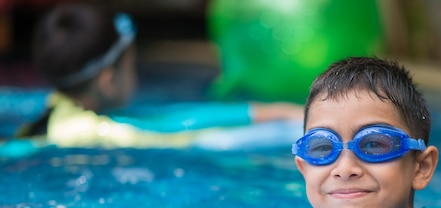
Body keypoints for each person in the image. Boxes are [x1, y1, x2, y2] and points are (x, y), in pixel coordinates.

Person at [1, 56, 441, 208]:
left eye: (373, 145)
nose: (344, 165)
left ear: (421, 166)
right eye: (321, 149)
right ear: (301, 164)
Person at [15, 2, 302, 147]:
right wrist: (269, 113)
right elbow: (172, 132)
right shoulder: (86, 134)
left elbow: (168, 119)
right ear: (108, 79)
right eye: (131, 63)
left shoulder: (54, 111)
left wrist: (268, 111)